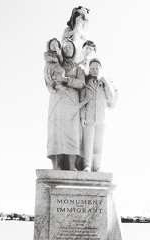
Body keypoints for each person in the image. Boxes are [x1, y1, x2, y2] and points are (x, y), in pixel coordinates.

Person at [46, 39, 85, 170]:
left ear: (74, 50)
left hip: (72, 101)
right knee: (57, 131)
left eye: (70, 47)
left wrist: (66, 80)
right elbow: (48, 77)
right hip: (57, 100)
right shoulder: (55, 64)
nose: (68, 49)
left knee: (72, 132)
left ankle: (72, 164)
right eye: (65, 47)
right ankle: (57, 164)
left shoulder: (78, 67)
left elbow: (81, 83)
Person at [80, 58, 117, 172]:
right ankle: (87, 164)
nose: (95, 70)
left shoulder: (105, 82)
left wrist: (104, 80)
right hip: (89, 116)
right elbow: (82, 100)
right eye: (92, 69)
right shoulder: (85, 83)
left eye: (97, 68)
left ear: (101, 69)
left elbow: (111, 97)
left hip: (101, 117)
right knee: (88, 142)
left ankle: (97, 166)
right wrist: (82, 116)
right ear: (89, 70)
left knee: (98, 143)